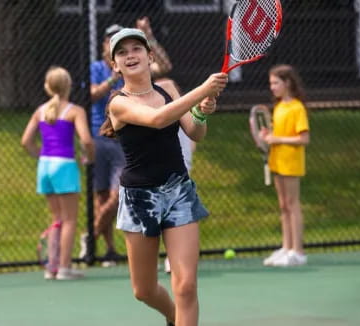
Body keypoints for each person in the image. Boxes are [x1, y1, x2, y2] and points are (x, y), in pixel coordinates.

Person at [101, 28, 227, 326]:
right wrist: (203, 90)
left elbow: (195, 131)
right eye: (122, 52)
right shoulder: (118, 103)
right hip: (139, 200)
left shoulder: (168, 88)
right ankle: (172, 316)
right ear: (115, 66)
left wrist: (202, 113)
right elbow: (158, 120)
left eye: (137, 48)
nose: (130, 55)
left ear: (150, 56)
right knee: (143, 290)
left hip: (179, 192)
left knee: (185, 285)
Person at [79, 19, 173, 267]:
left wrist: (150, 36)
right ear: (105, 49)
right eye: (113, 42)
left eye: (130, 45)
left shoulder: (136, 68)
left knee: (117, 195)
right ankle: (108, 250)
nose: (126, 52)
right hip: (100, 137)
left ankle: (91, 235)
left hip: (126, 141)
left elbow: (164, 66)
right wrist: (112, 78)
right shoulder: (98, 68)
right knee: (102, 198)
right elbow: (90, 94)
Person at [21, 66, 95, 280]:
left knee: (57, 218)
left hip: (44, 166)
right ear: (68, 86)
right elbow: (87, 140)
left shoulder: (40, 111)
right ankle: (64, 267)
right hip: (64, 166)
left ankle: (51, 267)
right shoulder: (75, 111)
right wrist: (89, 157)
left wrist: (40, 155)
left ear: (47, 87)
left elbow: (26, 141)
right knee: (70, 219)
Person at [259, 64, 310, 267]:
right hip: (277, 160)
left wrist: (276, 138)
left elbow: (304, 139)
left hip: (291, 161)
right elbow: (276, 135)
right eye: (271, 83)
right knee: (283, 206)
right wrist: (267, 137)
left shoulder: (297, 107)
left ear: (287, 83)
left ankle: (298, 252)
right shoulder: (279, 107)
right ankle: (287, 248)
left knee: (293, 204)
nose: (272, 87)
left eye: (275, 83)